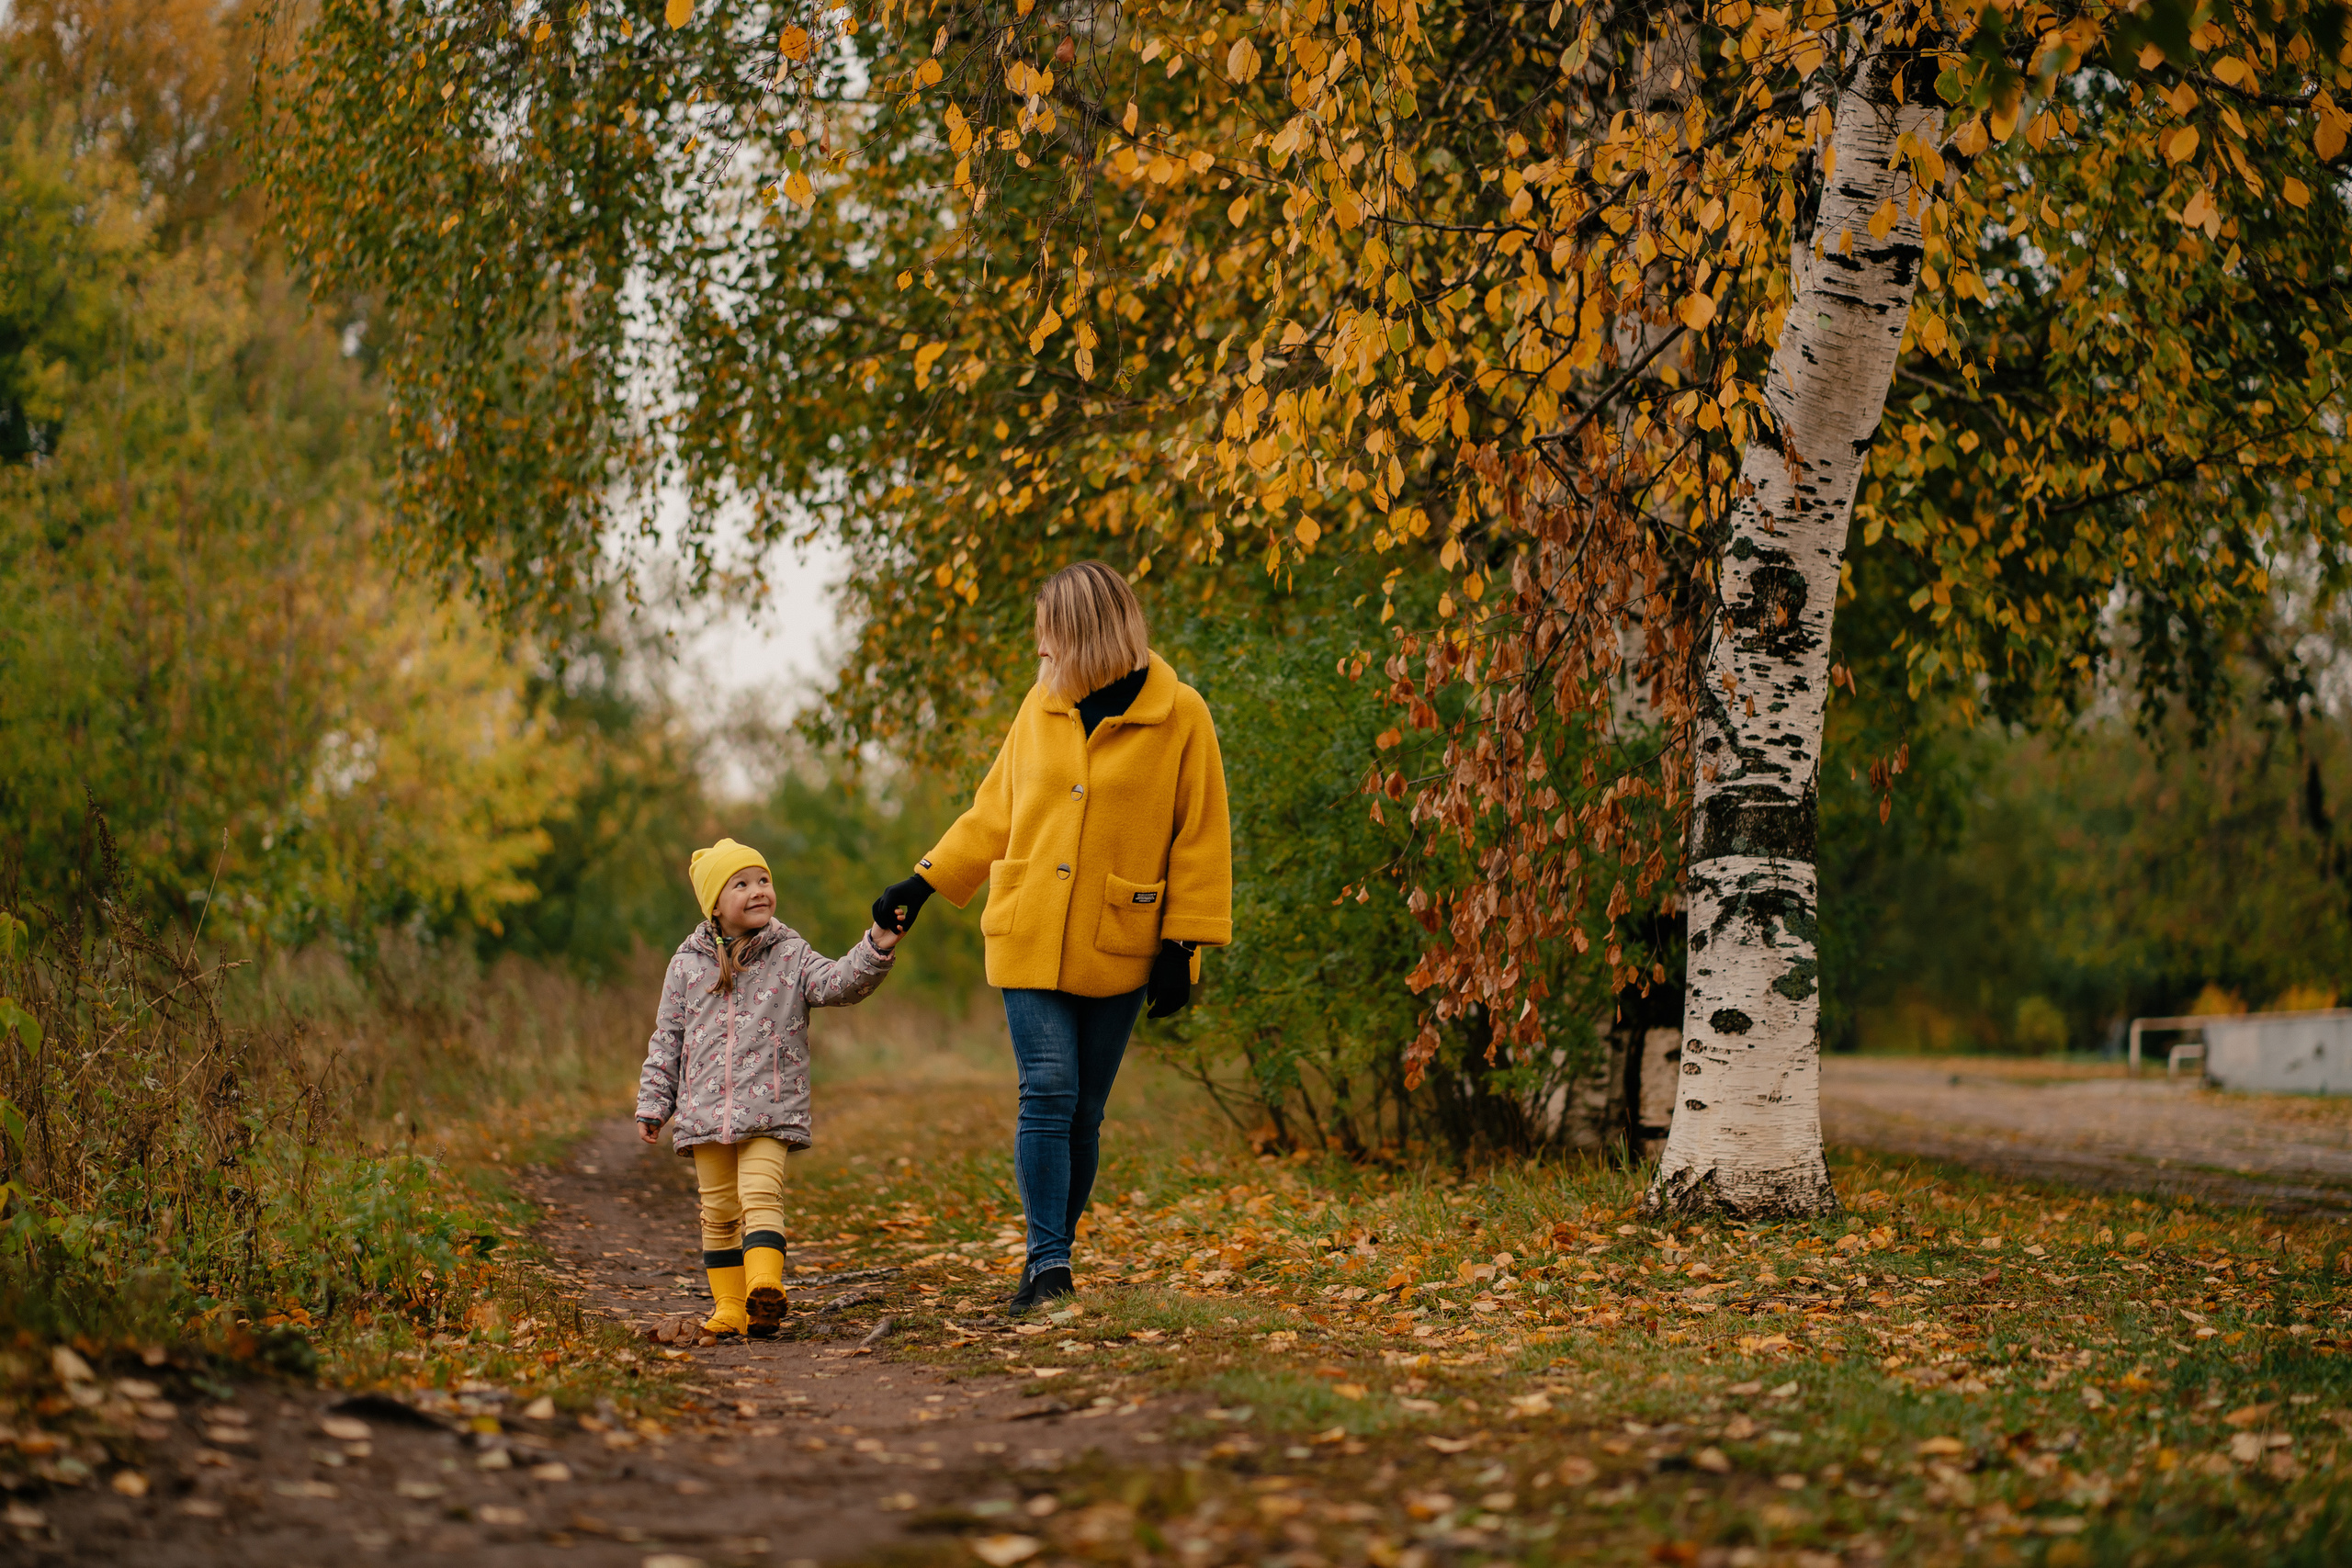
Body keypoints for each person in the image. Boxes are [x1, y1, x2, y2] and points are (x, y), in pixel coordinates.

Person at [871, 560, 1231, 1314]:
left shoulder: (1181, 714)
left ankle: (1049, 1258)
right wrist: (923, 883)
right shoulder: (1042, 704)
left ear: (1083, 635)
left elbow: (1199, 835)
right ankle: (1049, 1262)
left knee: (1085, 1111)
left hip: (1120, 937)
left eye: (1049, 639)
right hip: (1028, 930)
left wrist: (1183, 944)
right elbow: (993, 813)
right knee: (1048, 1089)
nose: (1042, 655)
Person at [636, 839, 903, 1339]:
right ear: (715, 903)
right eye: (741, 884)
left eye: (763, 880)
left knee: (761, 1194)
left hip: (769, 1107)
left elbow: (837, 983)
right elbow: (667, 1038)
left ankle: (765, 1287)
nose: (758, 891)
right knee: (717, 1212)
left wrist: (877, 944)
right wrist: (655, 1102)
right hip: (704, 1113)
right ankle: (731, 1309)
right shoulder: (686, 965)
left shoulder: (790, 953)